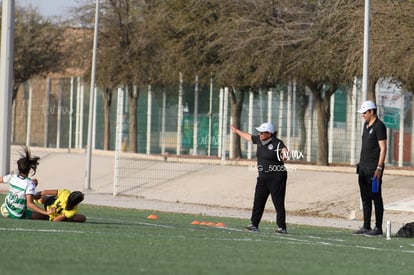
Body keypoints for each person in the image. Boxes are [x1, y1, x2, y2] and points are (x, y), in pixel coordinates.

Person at [231, 122, 289, 234]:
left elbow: (284, 150)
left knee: (278, 202)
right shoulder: (259, 140)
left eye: (263, 132)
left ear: (269, 133)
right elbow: (248, 137)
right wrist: (236, 131)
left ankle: (282, 227)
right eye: (260, 132)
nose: (260, 134)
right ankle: (254, 224)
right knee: (258, 201)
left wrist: (285, 155)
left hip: (277, 177)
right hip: (263, 177)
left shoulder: (277, 143)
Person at [353, 100, 387, 236]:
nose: (363, 115)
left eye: (365, 112)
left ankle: (378, 228)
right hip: (363, 169)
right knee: (365, 197)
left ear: (372, 111)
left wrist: (379, 167)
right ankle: (366, 226)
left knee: (376, 196)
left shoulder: (379, 126)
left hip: (374, 169)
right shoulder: (366, 125)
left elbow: (383, 148)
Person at [0, 146, 54, 219]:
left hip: (7, 206)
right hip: (17, 214)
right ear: (29, 169)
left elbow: (1, 180)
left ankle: (32, 195)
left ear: (18, 168)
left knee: (34, 182)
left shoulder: (12, 176)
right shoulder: (29, 184)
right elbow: (29, 204)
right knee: (47, 217)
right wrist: (46, 212)